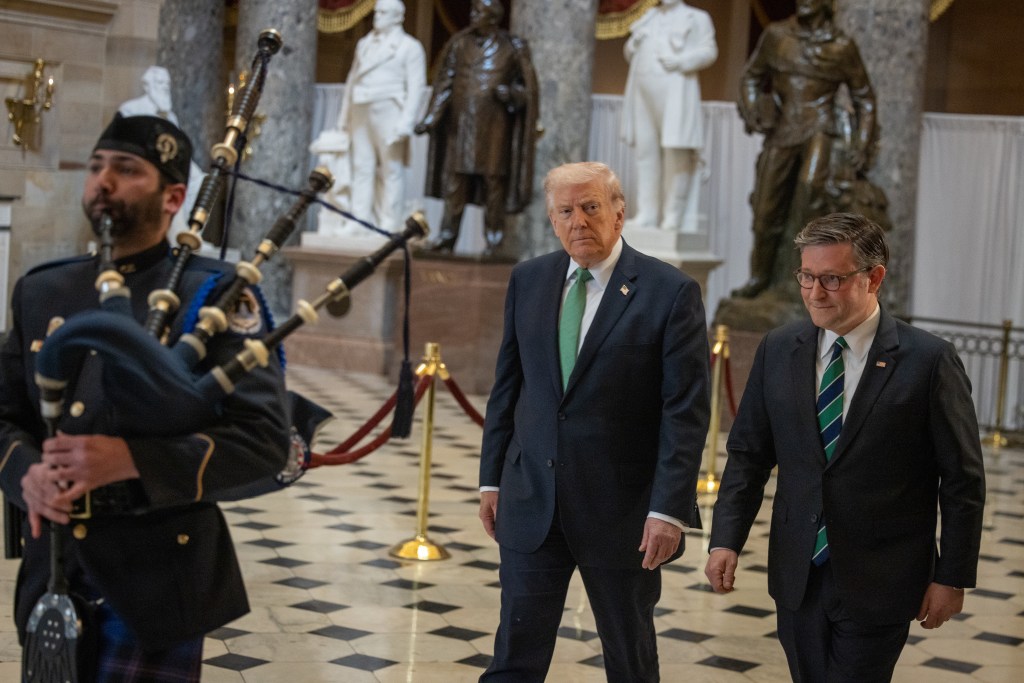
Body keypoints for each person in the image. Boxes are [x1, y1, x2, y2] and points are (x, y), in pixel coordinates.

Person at [0, 114, 291, 681]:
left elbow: (263, 441)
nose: (102, 181)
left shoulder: (214, 293)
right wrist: (26, 473)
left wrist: (131, 460)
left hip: (159, 576)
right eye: (96, 167)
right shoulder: (42, 288)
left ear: (173, 197)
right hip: (53, 573)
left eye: (126, 169)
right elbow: (5, 414)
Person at [704, 212, 986, 681]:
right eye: (807, 277)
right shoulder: (779, 348)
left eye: (831, 279)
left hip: (883, 578)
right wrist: (725, 540)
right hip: (797, 572)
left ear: (873, 277)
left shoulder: (929, 361)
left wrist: (952, 576)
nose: (815, 293)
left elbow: (962, 481)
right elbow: (749, 456)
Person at [478, 161, 710, 681]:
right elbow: (508, 387)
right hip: (532, 499)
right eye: (566, 211)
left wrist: (668, 511)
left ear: (619, 213)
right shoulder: (529, 279)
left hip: (623, 514)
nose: (578, 221)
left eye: (590, 207)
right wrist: (491, 478)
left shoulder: (669, 292)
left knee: (629, 658)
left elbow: (685, 413)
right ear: (552, 220)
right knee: (513, 655)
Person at [732, 0, 877, 298]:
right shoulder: (777, 36)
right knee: (765, 206)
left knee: (810, 194)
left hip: (820, 129)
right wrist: (753, 108)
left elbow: (865, 97)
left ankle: (802, 278)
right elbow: (751, 76)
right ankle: (760, 277)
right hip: (784, 129)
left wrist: (861, 143)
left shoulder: (841, 46)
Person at [414, 0, 539, 254]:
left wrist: (511, 94)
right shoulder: (459, 44)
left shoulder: (512, 47)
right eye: (472, 10)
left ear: (492, 17)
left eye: (478, 12)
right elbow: (445, 84)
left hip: (494, 128)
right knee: (455, 183)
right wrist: (431, 118)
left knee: (494, 184)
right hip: (461, 126)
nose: (472, 15)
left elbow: (528, 92)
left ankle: (493, 241)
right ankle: (447, 237)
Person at [620, 0, 717, 233]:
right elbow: (629, 51)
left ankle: (673, 215)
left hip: (675, 91)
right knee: (646, 151)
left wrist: (683, 61)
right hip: (642, 91)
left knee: (676, 153)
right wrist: (634, 44)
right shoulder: (648, 16)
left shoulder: (697, 17)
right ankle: (647, 213)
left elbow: (709, 51)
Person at [336, 0, 426, 232]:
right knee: (362, 167)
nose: (377, 16)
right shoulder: (364, 44)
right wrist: (343, 118)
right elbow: (352, 80)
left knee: (391, 169)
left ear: (398, 17)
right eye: (377, 12)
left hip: (390, 110)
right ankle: (359, 220)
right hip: (361, 107)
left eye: (383, 12)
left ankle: (389, 223)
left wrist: (406, 123)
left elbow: (416, 88)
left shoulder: (409, 46)